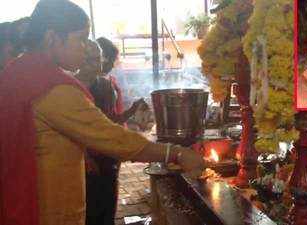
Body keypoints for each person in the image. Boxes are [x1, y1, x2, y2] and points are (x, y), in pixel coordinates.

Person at [0, 1, 205, 225]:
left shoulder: (17, 72)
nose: (86, 48)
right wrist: (175, 153)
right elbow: (113, 138)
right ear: (52, 38)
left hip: (20, 198)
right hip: (47, 212)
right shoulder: (50, 87)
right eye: (80, 38)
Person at [76, 39, 146, 225]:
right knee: (90, 209)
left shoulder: (106, 86)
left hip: (107, 155)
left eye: (99, 59)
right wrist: (85, 157)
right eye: (90, 59)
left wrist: (132, 111)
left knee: (107, 206)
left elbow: (110, 122)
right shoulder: (71, 88)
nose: (98, 64)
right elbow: (72, 129)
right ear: (79, 60)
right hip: (86, 159)